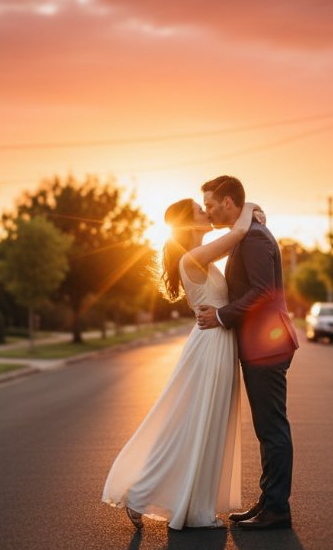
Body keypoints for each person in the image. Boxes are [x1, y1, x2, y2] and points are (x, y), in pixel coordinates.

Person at [102, 198, 260, 530]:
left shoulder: (202, 256)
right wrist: (251, 205)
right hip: (210, 347)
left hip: (218, 343)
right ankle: (143, 495)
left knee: (206, 423)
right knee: (196, 423)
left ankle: (188, 503)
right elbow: (241, 230)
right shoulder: (193, 258)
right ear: (188, 224)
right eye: (202, 212)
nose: (209, 214)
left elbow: (238, 238)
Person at [196, 175, 298, 531]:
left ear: (228, 202)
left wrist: (222, 315)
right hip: (261, 345)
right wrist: (253, 208)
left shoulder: (254, 238)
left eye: (210, 204)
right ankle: (268, 501)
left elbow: (261, 294)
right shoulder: (249, 231)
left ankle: (276, 510)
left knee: (272, 429)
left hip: (266, 346)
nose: (208, 212)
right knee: (266, 428)